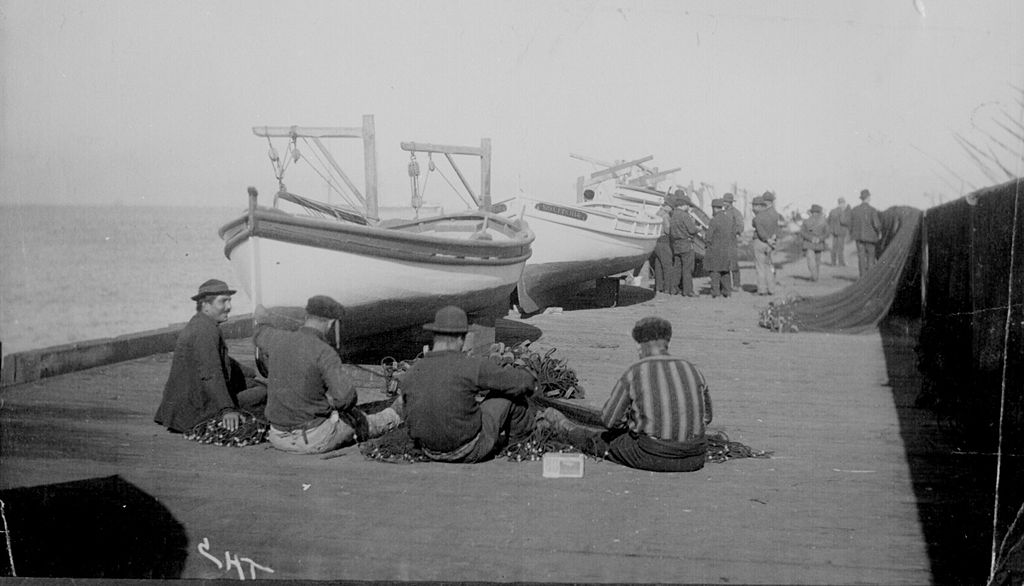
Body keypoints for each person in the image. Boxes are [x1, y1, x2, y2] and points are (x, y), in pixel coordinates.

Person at [539, 316, 713, 472]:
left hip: (653, 456)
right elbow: (706, 418)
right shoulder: (693, 369)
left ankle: (562, 425)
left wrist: (633, 421)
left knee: (598, 440)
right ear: (667, 342)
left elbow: (609, 420)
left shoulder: (636, 372)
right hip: (694, 458)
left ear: (640, 345)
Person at [254, 295, 402, 454]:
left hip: (277, 436)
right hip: (313, 439)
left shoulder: (278, 339)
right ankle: (395, 414)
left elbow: (260, 332)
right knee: (366, 421)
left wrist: (262, 317)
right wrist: (330, 405)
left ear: (306, 317)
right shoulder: (324, 351)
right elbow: (346, 398)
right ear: (331, 323)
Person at [401, 305, 538, 463]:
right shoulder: (470, 365)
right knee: (513, 395)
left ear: (435, 336)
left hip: (429, 450)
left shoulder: (412, 372)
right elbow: (520, 383)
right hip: (469, 451)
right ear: (461, 338)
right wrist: (532, 382)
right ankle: (519, 445)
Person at [155, 279, 267, 433]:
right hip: (195, 410)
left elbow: (218, 358)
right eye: (223, 302)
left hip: (184, 403)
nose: (229, 307)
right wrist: (227, 409)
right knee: (263, 393)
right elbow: (211, 373)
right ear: (205, 305)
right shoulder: (205, 332)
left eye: (229, 301)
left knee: (254, 383)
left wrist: (248, 372)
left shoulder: (201, 323)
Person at [669, 195, 701, 297]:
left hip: (676, 244)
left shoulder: (673, 215)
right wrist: (698, 229)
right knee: (688, 268)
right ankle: (688, 291)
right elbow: (692, 230)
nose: (689, 207)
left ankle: (673, 289)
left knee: (677, 268)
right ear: (684, 205)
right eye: (688, 205)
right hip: (686, 244)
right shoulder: (684, 215)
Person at [704, 198, 736, 298]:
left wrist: (707, 244)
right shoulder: (729, 219)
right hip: (726, 250)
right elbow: (733, 234)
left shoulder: (714, 220)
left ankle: (715, 293)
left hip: (715, 250)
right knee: (725, 271)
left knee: (715, 272)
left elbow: (708, 237)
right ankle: (727, 292)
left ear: (714, 208)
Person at [751, 194, 782, 295]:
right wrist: (772, 239)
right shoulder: (773, 216)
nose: (753, 208)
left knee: (760, 267)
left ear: (759, 206)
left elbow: (759, 231)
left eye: (754, 206)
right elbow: (777, 229)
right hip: (770, 244)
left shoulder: (757, 218)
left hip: (760, 242)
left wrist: (767, 239)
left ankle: (762, 290)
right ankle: (771, 289)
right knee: (768, 266)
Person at [848, 189, 883, 277]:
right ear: (868, 198)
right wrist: (879, 232)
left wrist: (852, 233)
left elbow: (850, 224)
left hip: (858, 237)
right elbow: (876, 224)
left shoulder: (855, 210)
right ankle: (869, 278)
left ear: (861, 198)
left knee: (861, 258)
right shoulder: (872, 210)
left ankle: (862, 278)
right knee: (870, 258)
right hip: (870, 238)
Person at [648, 193, 676, 293]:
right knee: (668, 265)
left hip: (656, 242)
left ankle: (658, 287)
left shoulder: (658, 213)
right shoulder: (666, 216)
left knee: (658, 265)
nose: (672, 210)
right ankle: (668, 288)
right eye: (672, 208)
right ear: (668, 206)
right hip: (664, 242)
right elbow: (668, 230)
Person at [800, 204, 829, 281]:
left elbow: (802, 232)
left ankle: (814, 276)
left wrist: (811, 238)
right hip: (819, 244)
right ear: (819, 212)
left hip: (809, 243)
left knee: (811, 261)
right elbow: (827, 233)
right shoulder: (823, 222)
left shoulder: (806, 221)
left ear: (811, 212)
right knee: (817, 261)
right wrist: (819, 239)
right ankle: (815, 276)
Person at [722, 192, 744, 289]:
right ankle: (726, 284)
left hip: (731, 240)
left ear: (730, 202)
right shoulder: (723, 212)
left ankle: (736, 284)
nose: (724, 203)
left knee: (733, 262)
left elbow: (740, 226)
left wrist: (734, 232)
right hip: (722, 240)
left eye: (726, 202)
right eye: (724, 201)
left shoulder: (736, 212)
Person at [826, 197, 851, 266]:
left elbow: (828, 221)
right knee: (840, 248)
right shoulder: (841, 211)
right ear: (842, 203)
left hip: (834, 232)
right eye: (844, 203)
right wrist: (848, 222)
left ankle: (833, 262)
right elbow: (843, 221)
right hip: (841, 232)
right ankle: (841, 262)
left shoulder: (832, 211)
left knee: (834, 247)